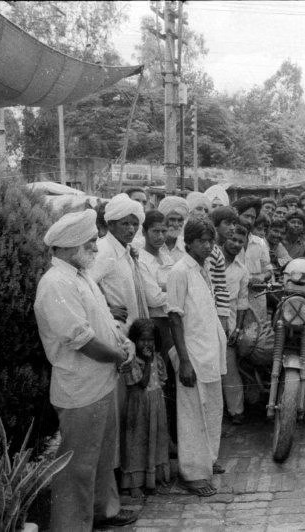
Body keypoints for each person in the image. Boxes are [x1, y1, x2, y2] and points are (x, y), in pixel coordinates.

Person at [34, 209, 138, 530]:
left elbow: (105, 322)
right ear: (69, 245)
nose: (96, 246)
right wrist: (120, 357)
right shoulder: (56, 284)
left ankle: (102, 512)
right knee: (77, 466)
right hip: (80, 390)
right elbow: (84, 341)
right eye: (90, 241)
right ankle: (71, 526)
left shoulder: (81, 277)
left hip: (101, 383)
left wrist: (125, 343)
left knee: (103, 457)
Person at [167, 217, 227, 496]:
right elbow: (175, 319)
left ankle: (208, 460)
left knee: (212, 407)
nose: (207, 246)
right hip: (192, 354)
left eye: (210, 241)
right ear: (188, 241)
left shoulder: (203, 268)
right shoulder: (180, 271)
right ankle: (191, 474)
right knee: (192, 412)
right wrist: (185, 361)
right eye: (201, 241)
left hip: (209, 351)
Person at [89, 194, 165, 330]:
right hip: (116, 329)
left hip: (132, 328)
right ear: (110, 224)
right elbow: (85, 285)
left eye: (135, 224)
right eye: (125, 224)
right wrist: (105, 310)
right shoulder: (104, 250)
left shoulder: (127, 250)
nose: (131, 229)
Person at [138, 210, 177, 443]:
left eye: (164, 231)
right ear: (145, 232)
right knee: (161, 379)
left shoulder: (166, 255)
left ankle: (172, 437)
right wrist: (172, 291)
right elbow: (153, 299)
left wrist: (165, 288)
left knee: (171, 379)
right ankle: (163, 440)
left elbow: (168, 287)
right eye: (155, 231)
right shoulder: (142, 260)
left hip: (171, 321)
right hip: (157, 325)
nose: (160, 236)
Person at [120, 318, 171, 498]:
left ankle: (154, 478)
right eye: (142, 340)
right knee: (137, 443)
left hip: (155, 405)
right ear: (134, 341)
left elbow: (162, 380)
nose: (147, 344)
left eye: (150, 340)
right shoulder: (132, 362)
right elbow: (141, 383)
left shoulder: (156, 358)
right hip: (138, 407)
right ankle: (134, 483)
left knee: (156, 439)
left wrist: (153, 360)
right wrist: (149, 362)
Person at [221, 224, 251, 425]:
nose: (236, 244)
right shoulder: (210, 261)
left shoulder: (241, 269)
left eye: (240, 241)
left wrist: (238, 328)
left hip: (230, 317)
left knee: (229, 365)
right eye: (232, 239)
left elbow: (242, 301)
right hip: (208, 314)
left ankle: (236, 410)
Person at [157, 195, 189, 263]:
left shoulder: (187, 246)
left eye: (180, 220)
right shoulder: (150, 244)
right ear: (162, 219)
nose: (176, 224)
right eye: (172, 219)